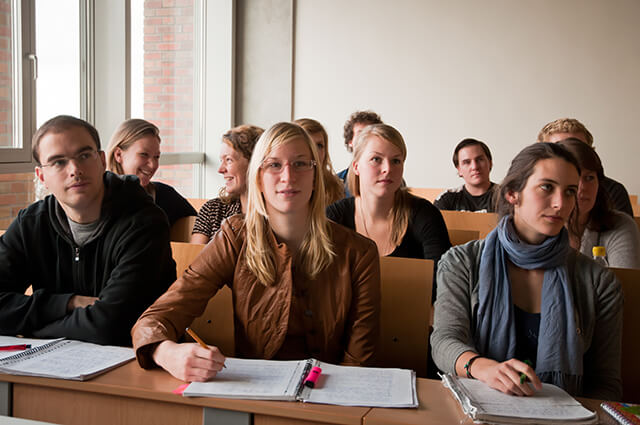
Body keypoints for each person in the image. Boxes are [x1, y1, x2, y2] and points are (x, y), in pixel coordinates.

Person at [132, 122, 380, 382]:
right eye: (274, 165)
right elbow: (154, 320)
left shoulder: (359, 253)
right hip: (254, 393)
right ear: (258, 177)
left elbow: (358, 363)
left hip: (330, 396)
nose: (288, 176)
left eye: (300, 164)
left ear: (315, 175)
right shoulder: (235, 236)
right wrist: (166, 352)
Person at [431, 142, 622, 401]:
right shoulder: (462, 262)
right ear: (512, 194)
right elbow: (443, 341)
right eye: (547, 187)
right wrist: (482, 368)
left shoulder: (597, 281)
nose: (560, 203)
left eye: (569, 192)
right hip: (476, 408)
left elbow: (606, 383)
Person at [0, 115, 176, 346]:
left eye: (84, 156)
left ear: (102, 160)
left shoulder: (144, 222)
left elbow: (110, 326)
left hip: (133, 364)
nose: (75, 169)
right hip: (51, 364)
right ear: (42, 176)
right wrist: (68, 303)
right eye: (58, 162)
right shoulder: (31, 224)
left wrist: (30, 329)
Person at [327, 123, 451, 262]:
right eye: (376, 159)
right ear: (356, 167)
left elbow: (443, 279)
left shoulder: (425, 214)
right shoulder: (333, 218)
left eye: (396, 161)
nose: (387, 169)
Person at [558, 139, 640, 268]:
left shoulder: (620, 224)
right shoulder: (539, 225)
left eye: (589, 178)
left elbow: (625, 285)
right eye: (574, 177)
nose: (582, 187)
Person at [106, 119, 196, 227]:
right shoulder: (96, 200)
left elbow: (202, 225)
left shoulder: (164, 195)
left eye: (156, 157)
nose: (153, 165)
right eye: (144, 154)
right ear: (118, 155)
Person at [537, 118, 633, 216]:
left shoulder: (612, 191)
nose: (571, 156)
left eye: (578, 148)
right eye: (560, 149)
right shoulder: (532, 190)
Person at [190, 124, 264, 244]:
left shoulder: (278, 214)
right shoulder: (212, 210)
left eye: (229, 160)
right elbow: (193, 260)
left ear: (254, 163)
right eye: (221, 160)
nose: (220, 169)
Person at [434, 138, 498, 212]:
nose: (475, 167)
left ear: (490, 163)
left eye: (479, 159)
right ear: (459, 169)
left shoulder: (507, 196)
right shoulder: (446, 199)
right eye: (467, 162)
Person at [294, 118, 344, 205]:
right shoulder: (286, 183)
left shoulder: (337, 186)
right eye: (309, 144)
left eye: (319, 145)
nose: (315, 151)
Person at [337, 110, 383, 197]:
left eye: (372, 134)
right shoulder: (336, 182)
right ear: (350, 141)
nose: (366, 139)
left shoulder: (390, 177)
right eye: (361, 134)